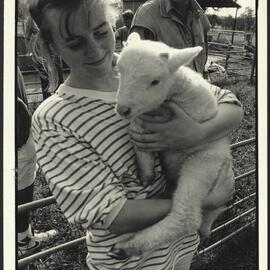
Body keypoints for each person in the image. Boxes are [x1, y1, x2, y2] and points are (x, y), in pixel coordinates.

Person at [26, 0, 241, 269]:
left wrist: (196, 133)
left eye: (101, 32)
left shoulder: (145, 65)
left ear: (114, 26)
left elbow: (230, 103)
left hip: (180, 248)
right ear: (52, 46)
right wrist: (200, 202)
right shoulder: (55, 119)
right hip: (127, 263)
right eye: (74, 43)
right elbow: (110, 214)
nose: (94, 50)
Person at [129, 0, 243, 158]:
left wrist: (202, 129)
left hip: (199, 109)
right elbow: (134, 73)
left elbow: (201, 65)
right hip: (166, 120)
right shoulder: (147, 15)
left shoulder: (199, 14)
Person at [16, 66, 57, 258]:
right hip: (16, 135)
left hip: (18, 130)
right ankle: (24, 241)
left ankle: (22, 235)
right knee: (21, 184)